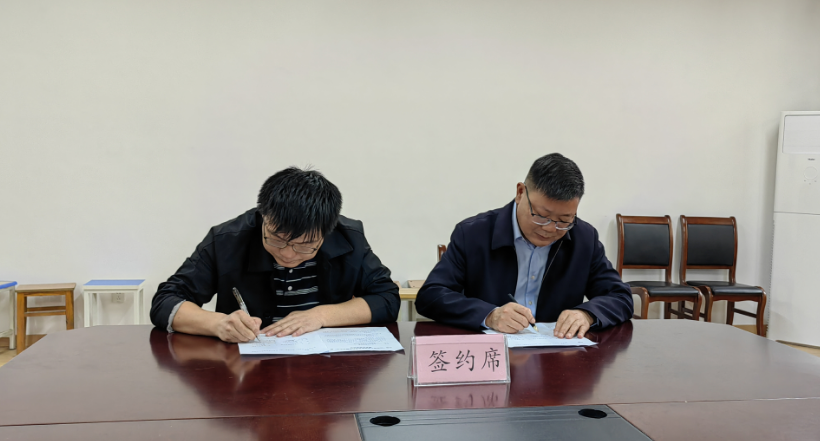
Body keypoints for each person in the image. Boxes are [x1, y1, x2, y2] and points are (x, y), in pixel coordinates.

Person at [150, 167, 399, 342]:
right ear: (263, 216)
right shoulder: (227, 240)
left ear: (327, 231)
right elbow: (165, 301)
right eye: (277, 239)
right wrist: (218, 324)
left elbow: (387, 297)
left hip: (325, 369)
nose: (288, 254)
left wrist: (321, 315)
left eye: (305, 246)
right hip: (245, 371)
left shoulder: (349, 238)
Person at [416, 153, 632, 339]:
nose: (550, 228)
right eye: (541, 216)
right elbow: (431, 296)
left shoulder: (584, 239)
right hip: (491, 357)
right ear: (520, 193)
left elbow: (620, 297)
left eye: (564, 220)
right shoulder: (473, 233)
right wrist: (489, 315)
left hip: (557, 357)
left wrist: (588, 314)